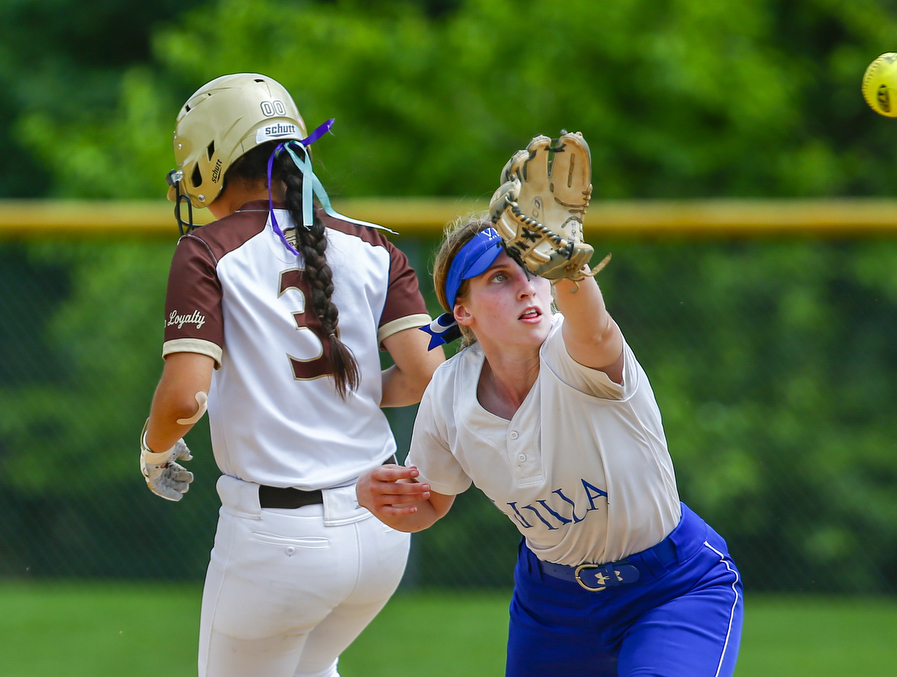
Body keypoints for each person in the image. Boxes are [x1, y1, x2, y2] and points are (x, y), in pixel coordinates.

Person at [356, 137, 743, 676]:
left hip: (672, 586)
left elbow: (596, 327)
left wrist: (570, 269)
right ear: (461, 312)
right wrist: (378, 498)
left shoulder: (575, 349)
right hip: (554, 605)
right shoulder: (448, 394)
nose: (526, 288)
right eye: (499, 278)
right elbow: (429, 506)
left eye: (533, 270)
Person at [139, 73, 444, 677]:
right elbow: (430, 378)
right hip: (382, 531)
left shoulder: (208, 250)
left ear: (209, 161)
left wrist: (154, 450)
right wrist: (349, 392)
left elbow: (185, 398)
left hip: (277, 540)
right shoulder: (373, 245)